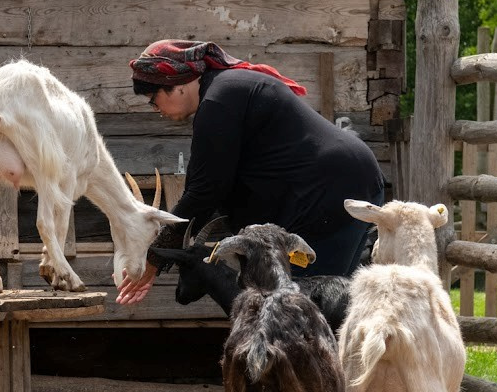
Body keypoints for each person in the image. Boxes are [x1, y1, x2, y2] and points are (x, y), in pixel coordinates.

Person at [115, 39, 385, 305]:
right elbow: (223, 184)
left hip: (327, 192)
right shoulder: (229, 88)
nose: (156, 110)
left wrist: (153, 259)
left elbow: (203, 193)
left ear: (179, 85)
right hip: (351, 181)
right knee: (334, 306)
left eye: (154, 99)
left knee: (299, 308)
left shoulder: (218, 101)